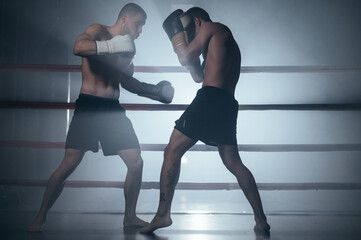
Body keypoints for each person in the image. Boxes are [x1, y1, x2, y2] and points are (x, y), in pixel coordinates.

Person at [27, 3, 174, 232]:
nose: (140, 30)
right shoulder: (98, 31)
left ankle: (130, 217)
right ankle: (40, 216)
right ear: (124, 19)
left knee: (136, 161)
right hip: (89, 105)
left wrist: (153, 91)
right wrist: (112, 46)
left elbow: (125, 81)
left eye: (143, 26)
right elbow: (78, 47)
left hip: (112, 109)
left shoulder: (129, 49)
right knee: (69, 163)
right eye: (138, 24)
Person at [140, 7, 270, 236]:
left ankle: (162, 214)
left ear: (197, 22)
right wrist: (186, 46)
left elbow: (183, 57)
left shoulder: (212, 28)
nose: (189, 37)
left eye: (189, 30)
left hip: (210, 99)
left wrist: (176, 37)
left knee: (171, 151)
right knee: (233, 163)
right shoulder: (221, 40)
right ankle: (261, 220)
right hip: (227, 103)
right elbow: (198, 75)